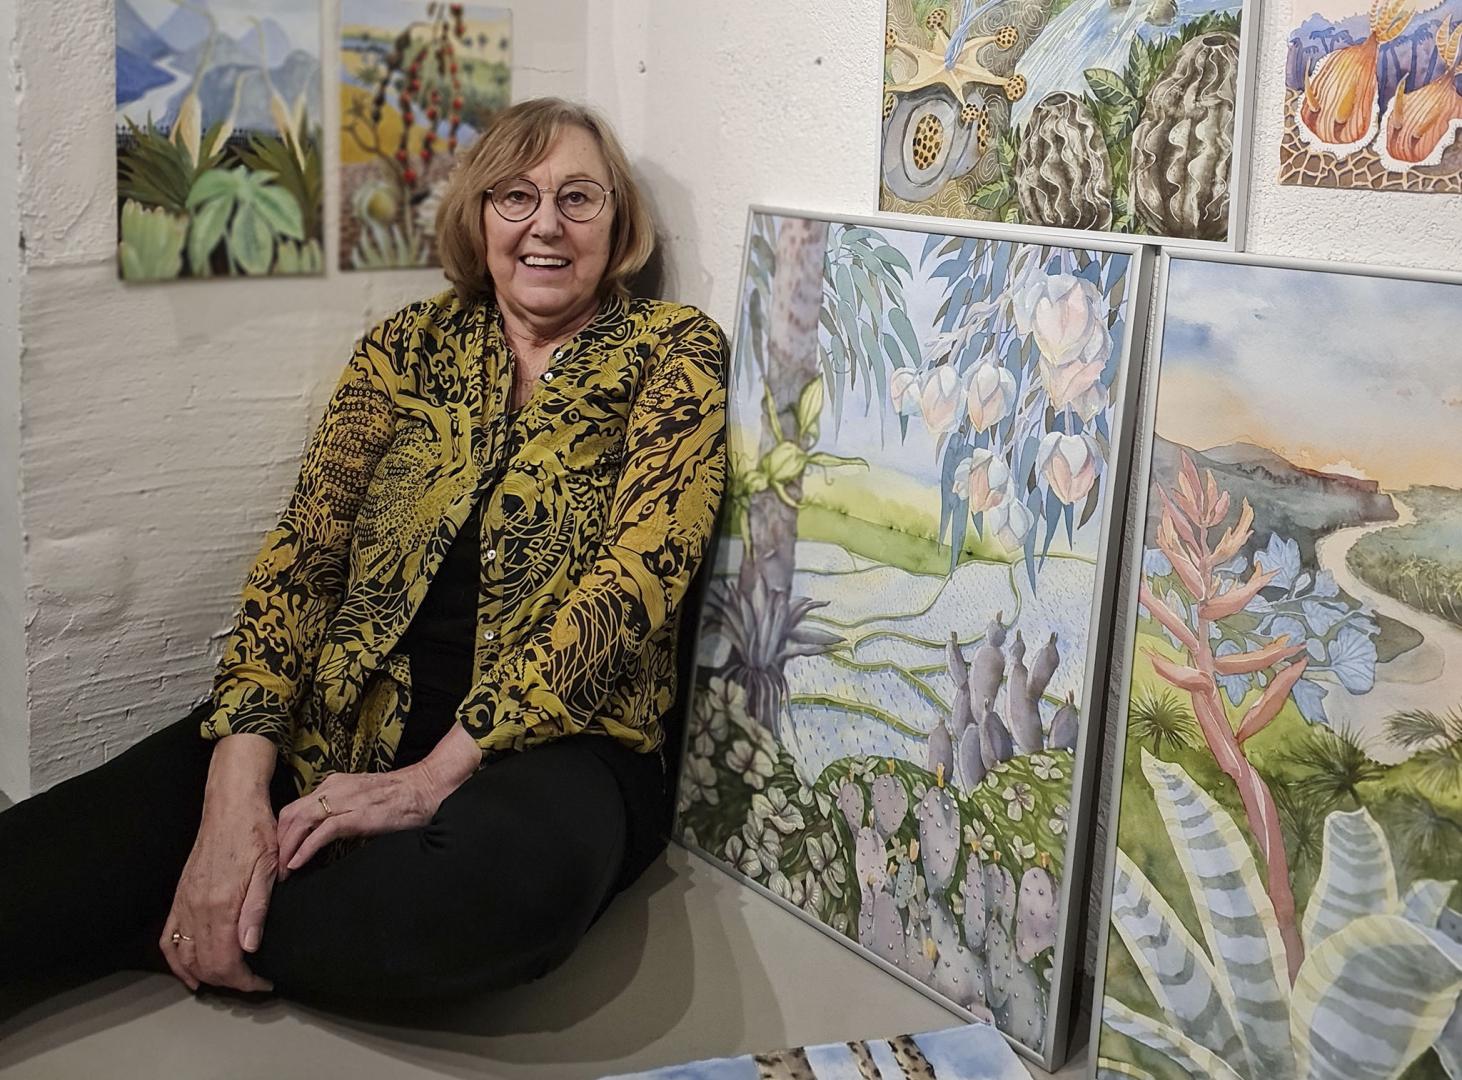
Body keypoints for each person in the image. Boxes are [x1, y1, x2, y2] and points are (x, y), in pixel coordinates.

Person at [0, 97, 727, 1015]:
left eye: (579, 198)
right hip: (343, 719)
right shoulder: (405, 349)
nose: (546, 223)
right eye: (517, 196)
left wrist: (430, 780)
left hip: (551, 751)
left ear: (618, 223)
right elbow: (302, 556)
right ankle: (221, 894)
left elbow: (638, 581)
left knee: (500, 899)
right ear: (479, 216)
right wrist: (236, 786)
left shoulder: (674, 352)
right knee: (37, 867)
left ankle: (194, 923)